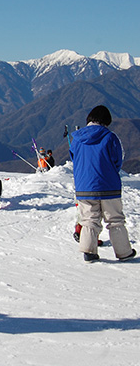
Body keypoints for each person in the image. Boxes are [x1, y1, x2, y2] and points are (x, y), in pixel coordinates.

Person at [69, 105, 136, 262]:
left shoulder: (77, 139)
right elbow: (117, 160)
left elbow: (74, 159)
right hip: (108, 186)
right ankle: (123, 252)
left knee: (89, 219)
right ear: (106, 121)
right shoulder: (110, 137)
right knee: (115, 219)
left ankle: (89, 251)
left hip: (84, 187)